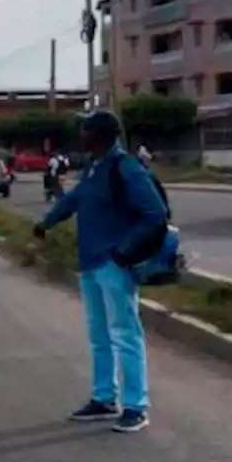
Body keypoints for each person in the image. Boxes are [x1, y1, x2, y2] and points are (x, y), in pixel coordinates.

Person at [34, 110, 169, 434]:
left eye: (86, 130)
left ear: (102, 135)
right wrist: (46, 222)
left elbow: (156, 213)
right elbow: (74, 201)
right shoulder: (94, 168)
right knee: (99, 335)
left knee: (126, 333)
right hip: (91, 263)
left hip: (113, 263)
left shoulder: (126, 168)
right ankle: (105, 397)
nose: (81, 135)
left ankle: (136, 406)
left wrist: (123, 251)